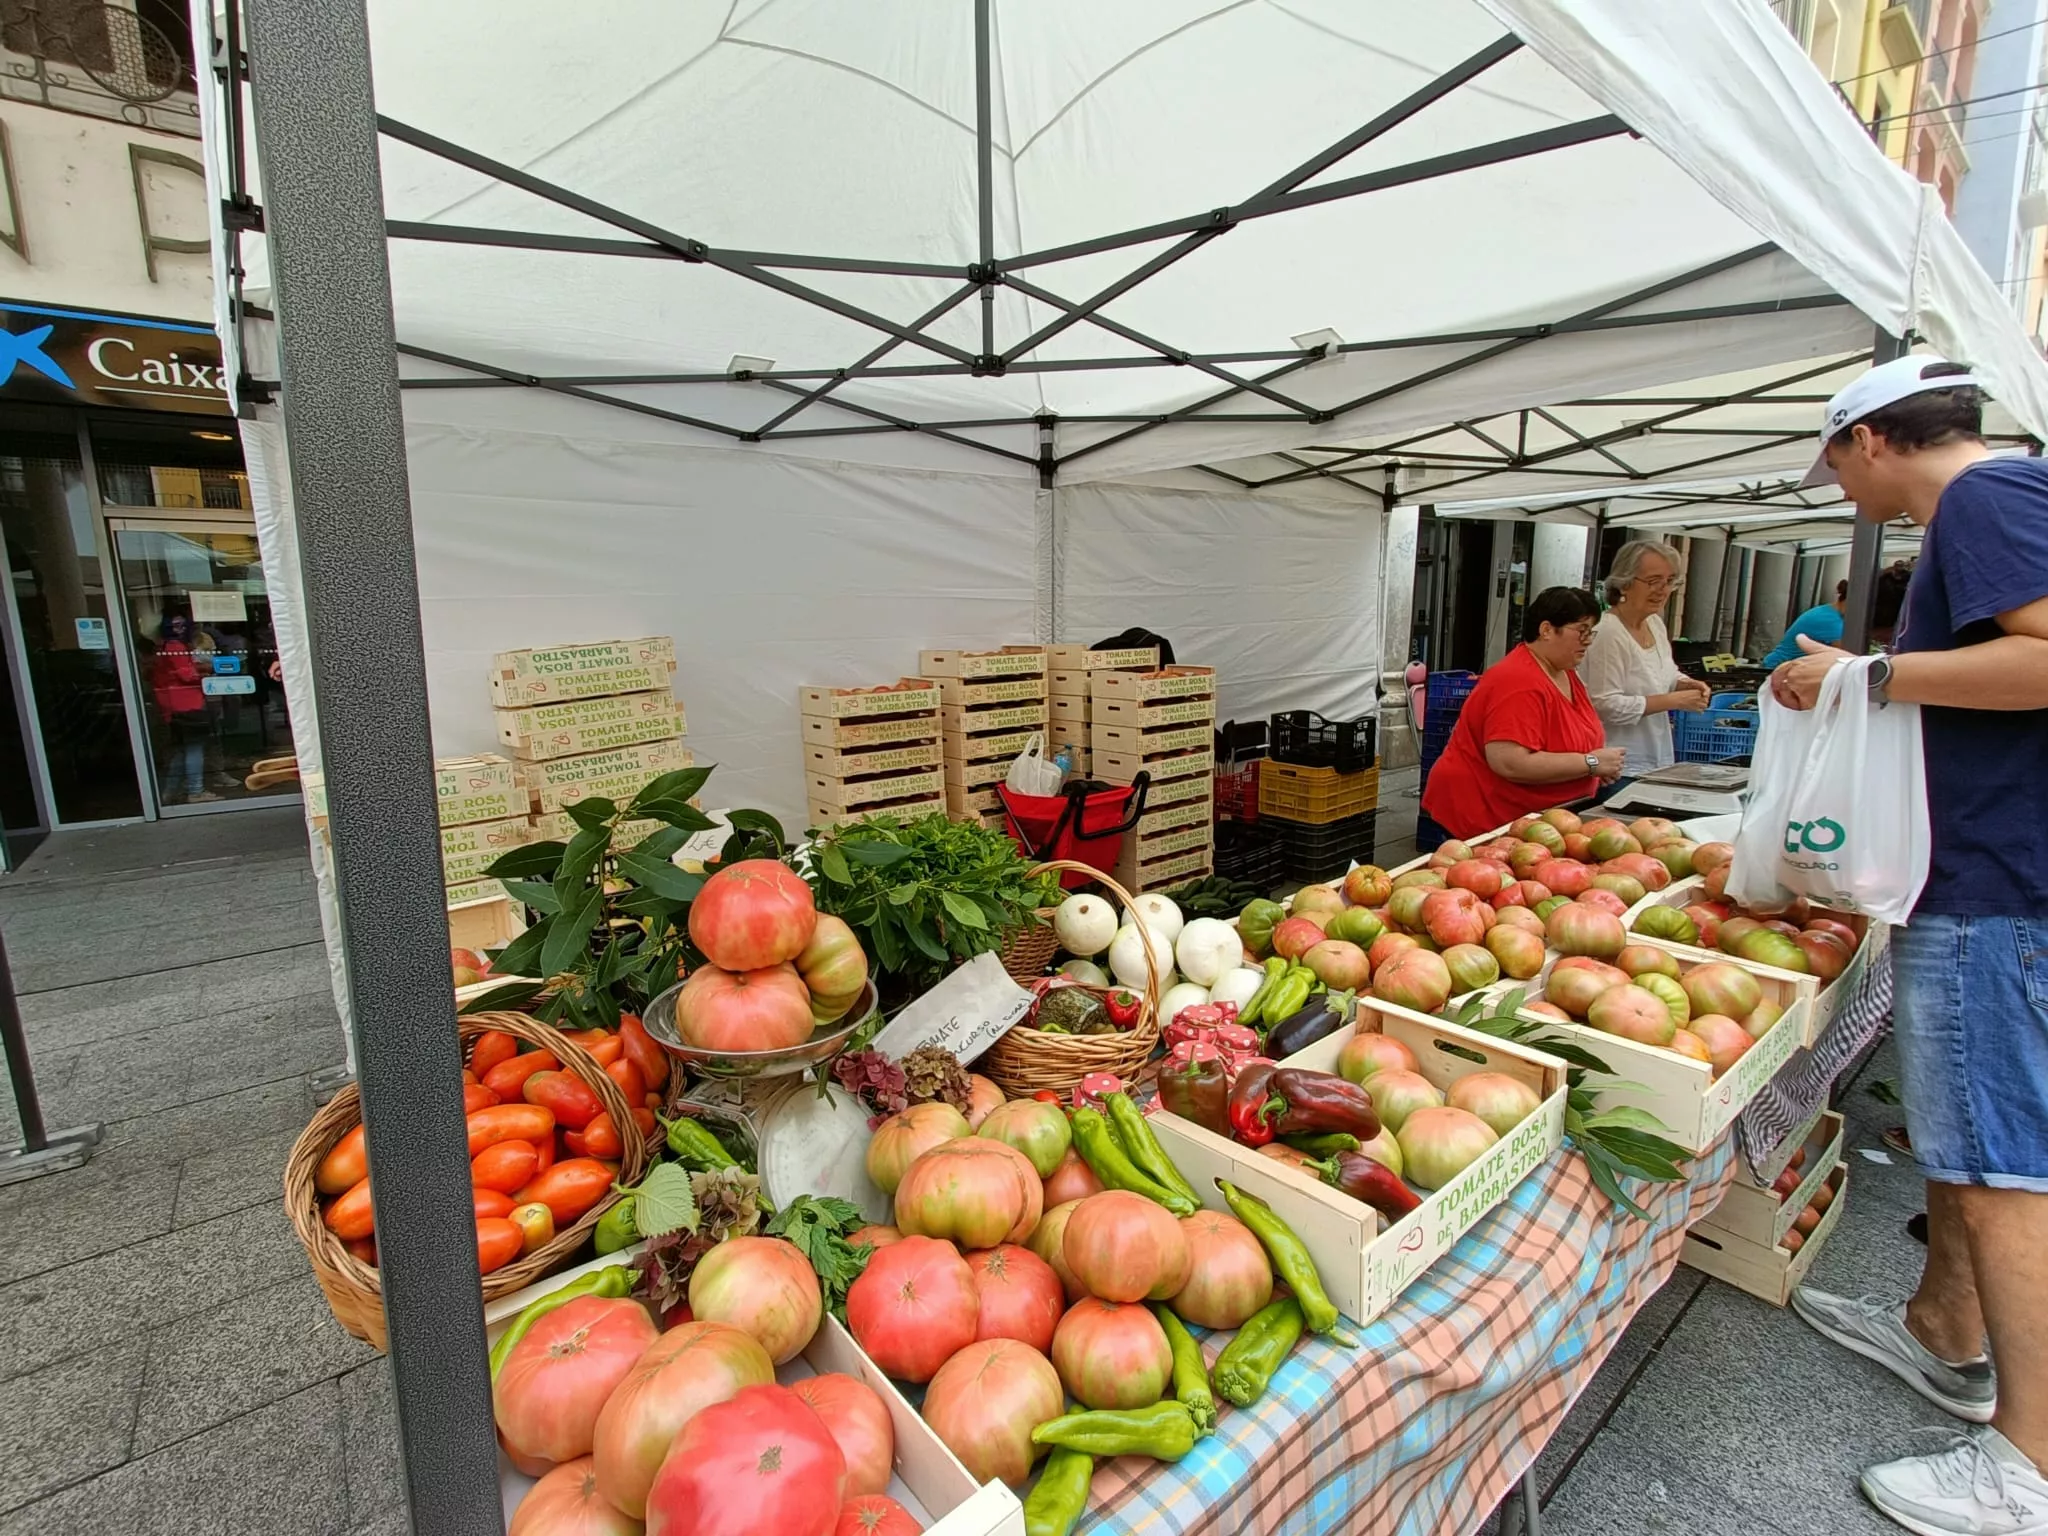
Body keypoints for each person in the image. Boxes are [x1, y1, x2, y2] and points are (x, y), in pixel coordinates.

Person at [1772, 355, 2048, 1535]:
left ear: (1870, 439)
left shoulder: (1982, 499)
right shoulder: (1996, 502)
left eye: (1834, 461)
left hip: (2000, 887)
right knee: (1964, 1147)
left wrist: (1866, 676)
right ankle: (1945, 1335)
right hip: (1981, 876)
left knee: (1998, 1175)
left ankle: (2024, 1469)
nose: (1838, 487)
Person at [1419, 586, 1623, 838]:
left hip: (1540, 821)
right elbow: (1510, 762)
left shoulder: (1565, 672)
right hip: (1486, 817)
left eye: (1591, 632)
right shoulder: (1517, 680)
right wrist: (1590, 763)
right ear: (1546, 629)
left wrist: (1588, 769)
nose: (1588, 641)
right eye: (1581, 631)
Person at [1581, 539, 1711, 777]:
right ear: (1624, 584)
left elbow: (1665, 672)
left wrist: (1685, 683)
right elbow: (1605, 704)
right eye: (1653, 581)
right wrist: (1674, 700)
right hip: (1618, 768)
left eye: (1670, 581)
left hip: (1657, 760)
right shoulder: (1608, 632)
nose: (1662, 590)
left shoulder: (1655, 623)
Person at [149, 613, 218, 805]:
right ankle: (195, 790)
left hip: (171, 702)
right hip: (186, 703)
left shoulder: (162, 646)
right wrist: (206, 670)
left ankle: (169, 792)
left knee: (182, 749)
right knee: (194, 747)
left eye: (182, 625)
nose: (180, 629)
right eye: (176, 625)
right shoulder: (175, 647)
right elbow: (187, 675)